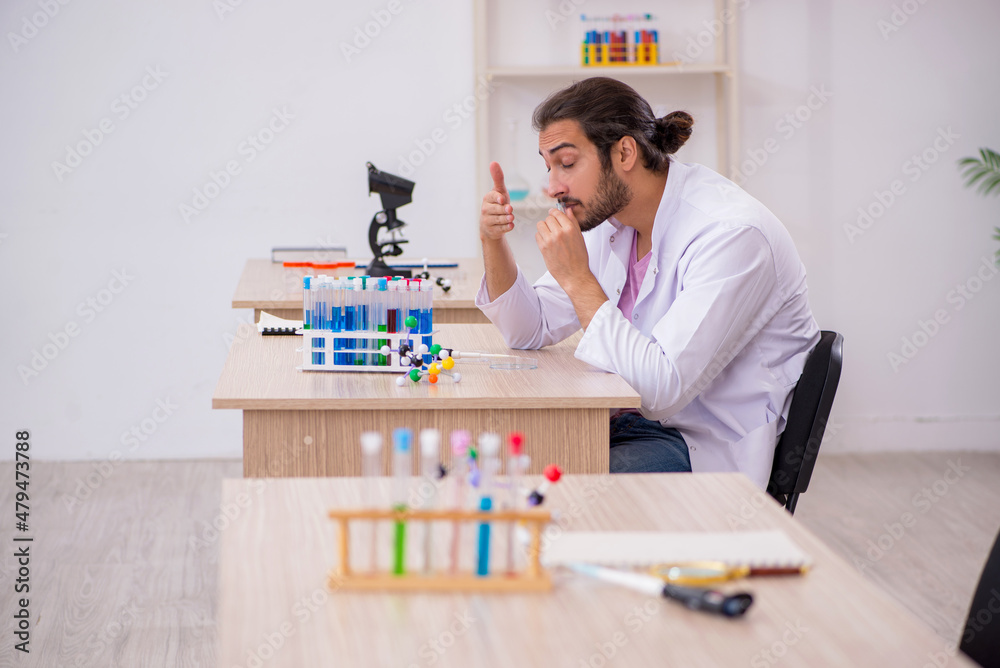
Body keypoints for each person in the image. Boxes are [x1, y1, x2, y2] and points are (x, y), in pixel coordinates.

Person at [475, 77, 820, 489]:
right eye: (547, 167)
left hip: (694, 442)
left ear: (624, 152)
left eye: (566, 163)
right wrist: (492, 241)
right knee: (488, 464)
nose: (552, 187)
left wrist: (578, 279)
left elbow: (661, 392)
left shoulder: (731, 233)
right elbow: (527, 329)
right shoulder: (612, 221)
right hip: (619, 420)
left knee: (559, 490)